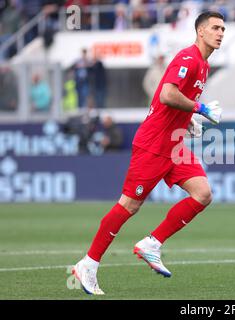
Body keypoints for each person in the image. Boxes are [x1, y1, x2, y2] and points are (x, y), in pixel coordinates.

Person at [72, 11, 225, 295]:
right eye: (215, 27)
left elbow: (167, 100)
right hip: (154, 144)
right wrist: (200, 109)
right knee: (129, 206)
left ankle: (151, 243)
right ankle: (88, 264)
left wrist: (187, 119)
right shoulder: (188, 58)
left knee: (202, 194)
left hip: (173, 144)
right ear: (200, 31)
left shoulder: (203, 65)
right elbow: (167, 93)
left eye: (223, 29)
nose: (220, 33)